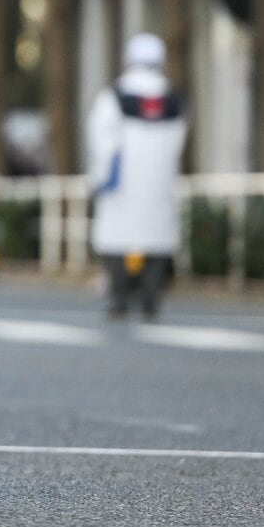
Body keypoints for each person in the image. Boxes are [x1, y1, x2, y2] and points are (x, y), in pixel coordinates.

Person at [86, 33, 188, 321]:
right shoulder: (172, 99)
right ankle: (150, 298)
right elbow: (178, 139)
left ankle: (119, 297)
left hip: (122, 183)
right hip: (159, 182)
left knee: (115, 238)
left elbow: (101, 138)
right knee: (158, 238)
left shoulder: (115, 96)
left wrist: (101, 174)